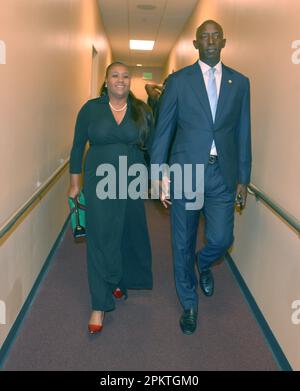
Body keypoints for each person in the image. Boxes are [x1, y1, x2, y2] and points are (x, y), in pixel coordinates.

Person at [150, 20, 251, 334]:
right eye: (204, 37)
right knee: (181, 242)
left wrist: (243, 178)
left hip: (222, 175)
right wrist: (158, 174)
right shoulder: (178, 82)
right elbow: (163, 130)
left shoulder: (240, 82)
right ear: (195, 44)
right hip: (185, 173)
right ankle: (189, 303)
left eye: (215, 36)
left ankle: (204, 262)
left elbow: (243, 131)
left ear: (223, 41)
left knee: (222, 238)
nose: (210, 40)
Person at [68, 62, 153, 334]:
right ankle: (99, 303)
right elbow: (78, 146)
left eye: (126, 76)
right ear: (106, 80)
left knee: (125, 233)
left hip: (131, 182)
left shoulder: (141, 110)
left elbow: (150, 147)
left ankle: (116, 279)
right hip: (99, 182)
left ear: (130, 81)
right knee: (100, 237)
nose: (121, 80)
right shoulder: (91, 109)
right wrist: (74, 184)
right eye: (115, 75)